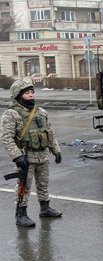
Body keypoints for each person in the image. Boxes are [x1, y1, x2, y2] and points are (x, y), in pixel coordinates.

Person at [1, 79, 62, 227]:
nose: (31, 95)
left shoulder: (41, 112)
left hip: (42, 156)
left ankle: (45, 208)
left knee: (43, 184)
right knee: (24, 187)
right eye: (27, 93)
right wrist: (17, 156)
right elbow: (6, 137)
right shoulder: (12, 114)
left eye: (31, 92)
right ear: (18, 95)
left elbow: (49, 133)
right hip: (26, 158)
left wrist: (56, 150)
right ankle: (21, 214)